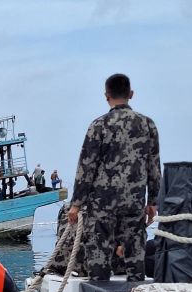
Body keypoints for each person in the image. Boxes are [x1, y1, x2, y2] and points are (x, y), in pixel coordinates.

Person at [68, 73, 161, 281]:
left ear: (106, 95)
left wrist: (76, 204)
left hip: (102, 203)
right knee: (135, 253)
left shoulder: (98, 126)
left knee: (99, 253)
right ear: (131, 94)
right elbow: (154, 166)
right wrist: (153, 201)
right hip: (134, 200)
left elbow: (86, 167)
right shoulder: (148, 125)